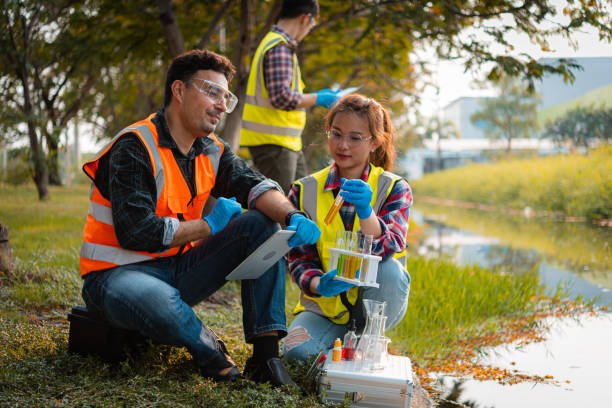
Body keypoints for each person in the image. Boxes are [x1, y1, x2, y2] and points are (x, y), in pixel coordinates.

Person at [79, 49, 321, 387]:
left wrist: (291, 214)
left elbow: (253, 184)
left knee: (263, 225)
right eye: (212, 92)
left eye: (226, 97)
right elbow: (136, 233)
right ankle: (210, 350)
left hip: (176, 271)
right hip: (116, 278)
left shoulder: (211, 148)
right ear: (179, 91)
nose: (222, 105)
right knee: (157, 298)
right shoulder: (133, 146)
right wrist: (208, 226)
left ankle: (266, 356)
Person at [282, 94, 412, 362]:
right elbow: (298, 259)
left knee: (390, 268)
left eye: (355, 138)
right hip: (324, 308)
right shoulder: (304, 190)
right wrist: (318, 284)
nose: (342, 145)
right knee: (295, 353)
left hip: (378, 304)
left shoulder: (394, 188)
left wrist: (366, 213)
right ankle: (342, 349)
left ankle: (368, 336)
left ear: (375, 142)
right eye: (336, 134)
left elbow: (391, 246)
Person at [239, 0, 342, 193]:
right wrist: (319, 98)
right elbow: (282, 97)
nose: (308, 31)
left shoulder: (276, 44)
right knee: (282, 208)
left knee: (302, 200)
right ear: (305, 18)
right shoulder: (280, 48)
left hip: (284, 143)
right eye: (311, 25)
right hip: (274, 144)